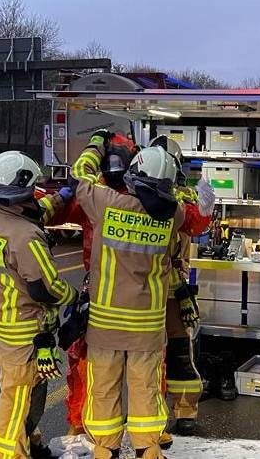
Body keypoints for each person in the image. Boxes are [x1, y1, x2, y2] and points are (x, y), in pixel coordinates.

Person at [72, 131, 214, 459]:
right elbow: (189, 208)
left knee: (104, 388)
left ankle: (105, 448)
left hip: (106, 325)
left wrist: (97, 143)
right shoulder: (173, 216)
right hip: (147, 327)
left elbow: (81, 174)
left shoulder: (105, 203)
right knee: (146, 390)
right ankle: (147, 448)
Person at [0, 150, 80, 459]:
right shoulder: (25, 237)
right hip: (25, 328)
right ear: (24, 186)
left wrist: (64, 195)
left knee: (29, 391)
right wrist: (75, 297)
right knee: (18, 396)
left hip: (6, 321)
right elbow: (45, 287)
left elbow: (36, 211)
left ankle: (30, 442)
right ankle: (10, 454)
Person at [58, 134, 138, 438]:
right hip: (140, 295)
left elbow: (76, 181)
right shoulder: (149, 198)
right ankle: (150, 434)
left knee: (90, 362)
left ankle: (83, 425)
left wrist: (93, 143)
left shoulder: (94, 196)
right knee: (146, 365)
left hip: (100, 293)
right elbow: (191, 221)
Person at [151, 134, 211, 439]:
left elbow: (196, 226)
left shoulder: (181, 198)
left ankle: (184, 411)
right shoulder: (144, 195)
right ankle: (157, 416)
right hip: (155, 289)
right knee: (153, 357)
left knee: (173, 353)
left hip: (167, 290)